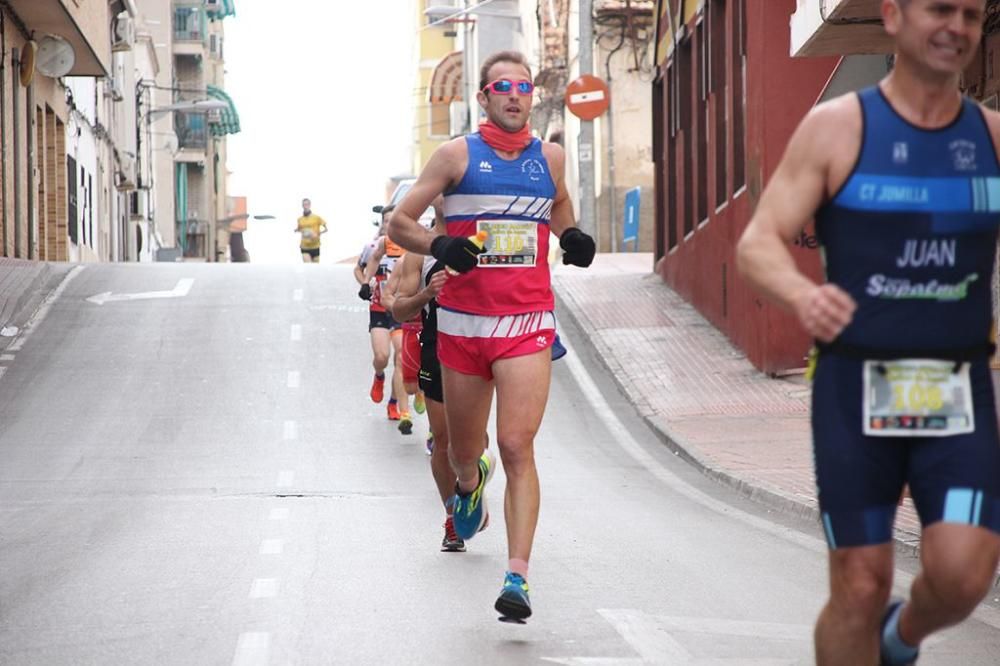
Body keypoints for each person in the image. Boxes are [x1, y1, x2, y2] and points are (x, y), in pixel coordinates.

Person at [736, 2, 1000, 664]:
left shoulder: (992, 139)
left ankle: (900, 636)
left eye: (971, 14)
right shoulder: (838, 128)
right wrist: (802, 292)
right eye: (940, 9)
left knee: (966, 574)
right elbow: (758, 242)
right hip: (854, 387)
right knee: (858, 584)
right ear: (893, 16)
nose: (957, 27)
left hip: (958, 389)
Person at [389, 50, 596, 621]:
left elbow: (558, 209)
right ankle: (469, 480)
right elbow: (400, 223)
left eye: (524, 87)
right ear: (483, 97)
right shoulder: (455, 156)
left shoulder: (550, 157)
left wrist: (572, 236)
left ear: (532, 97)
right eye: (503, 86)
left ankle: (518, 579)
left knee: (516, 445)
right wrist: (441, 245)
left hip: (527, 322)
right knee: (465, 451)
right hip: (460, 327)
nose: (515, 95)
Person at [389, 207, 468, 551]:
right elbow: (400, 309)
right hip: (435, 346)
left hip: (477, 345)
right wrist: (427, 294)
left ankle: (470, 492)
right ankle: (452, 517)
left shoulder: (479, 241)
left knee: (475, 442)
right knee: (442, 439)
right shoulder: (417, 254)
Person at [354, 206, 407, 423]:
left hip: (401, 308)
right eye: (386, 221)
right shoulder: (374, 247)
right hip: (378, 307)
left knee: (402, 356)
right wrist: (365, 283)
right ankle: (379, 376)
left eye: (394, 220)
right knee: (381, 357)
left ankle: (394, 403)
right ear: (382, 223)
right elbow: (359, 268)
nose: (389, 224)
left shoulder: (409, 247)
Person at [295, 198, 327, 263]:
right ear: (302, 206)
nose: (305, 206)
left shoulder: (316, 218)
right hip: (304, 246)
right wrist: (297, 230)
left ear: (310, 205)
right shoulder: (299, 219)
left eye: (307, 204)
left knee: (315, 269)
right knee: (308, 267)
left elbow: (326, 229)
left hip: (315, 245)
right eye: (304, 204)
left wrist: (318, 234)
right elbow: (299, 229)